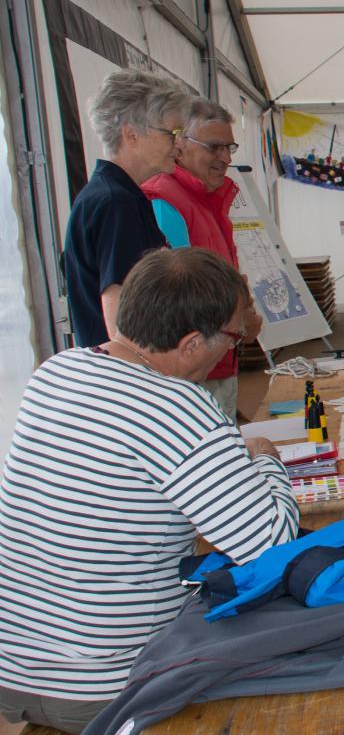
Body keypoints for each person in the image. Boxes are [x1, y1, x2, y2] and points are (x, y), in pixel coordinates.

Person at [0, 248, 300, 733]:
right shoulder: (178, 405)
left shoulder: (56, 370)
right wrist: (265, 460)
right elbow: (271, 544)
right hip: (111, 683)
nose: (233, 348)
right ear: (190, 344)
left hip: (14, 666)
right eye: (233, 337)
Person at [142, 97, 263, 419]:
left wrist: (242, 311)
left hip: (217, 357)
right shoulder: (164, 198)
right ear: (180, 145)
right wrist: (239, 318)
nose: (225, 158)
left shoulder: (210, 198)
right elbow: (176, 293)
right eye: (214, 147)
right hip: (190, 369)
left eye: (229, 147)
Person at [62, 69, 191, 347]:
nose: (180, 145)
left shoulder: (114, 195)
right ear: (131, 134)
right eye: (173, 134)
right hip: (124, 369)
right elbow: (123, 325)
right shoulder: (116, 204)